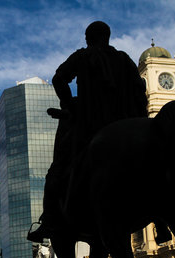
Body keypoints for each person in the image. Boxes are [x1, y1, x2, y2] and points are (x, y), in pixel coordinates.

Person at [28, 21, 147, 242]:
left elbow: (58, 78)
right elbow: (141, 91)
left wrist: (70, 105)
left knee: (55, 172)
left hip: (92, 126)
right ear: (108, 37)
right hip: (129, 125)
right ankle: (160, 222)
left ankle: (49, 222)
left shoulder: (82, 56)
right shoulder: (124, 59)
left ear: (88, 38)